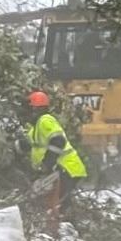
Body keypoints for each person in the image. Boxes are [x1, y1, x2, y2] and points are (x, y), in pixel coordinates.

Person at [24, 89, 87, 224]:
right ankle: (65, 227)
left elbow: (58, 141)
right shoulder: (36, 126)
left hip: (66, 168)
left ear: (35, 108)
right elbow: (34, 144)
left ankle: (61, 229)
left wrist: (48, 162)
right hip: (63, 169)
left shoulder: (45, 120)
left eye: (29, 109)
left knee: (57, 204)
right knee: (57, 203)